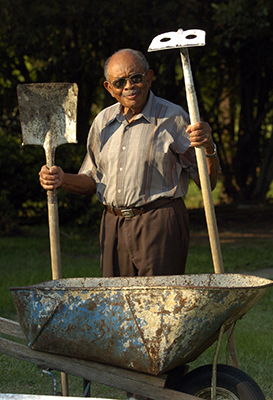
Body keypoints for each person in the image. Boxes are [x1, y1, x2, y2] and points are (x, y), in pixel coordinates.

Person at [39, 48, 219, 278]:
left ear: (149, 77)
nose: (129, 86)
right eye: (120, 82)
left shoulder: (173, 118)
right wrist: (62, 179)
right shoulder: (102, 122)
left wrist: (209, 148)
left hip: (159, 223)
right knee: (116, 305)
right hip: (113, 225)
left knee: (157, 304)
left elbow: (206, 182)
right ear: (109, 88)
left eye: (136, 78)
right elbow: (92, 181)